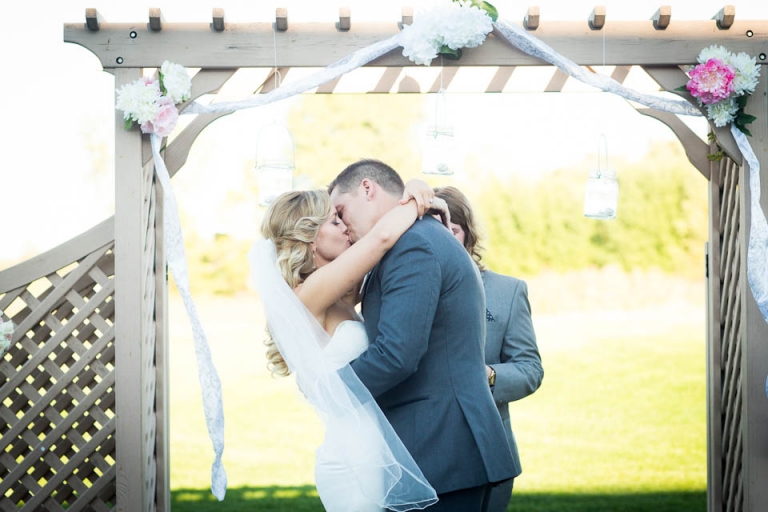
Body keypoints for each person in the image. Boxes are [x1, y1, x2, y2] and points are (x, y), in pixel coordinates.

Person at [329, 159, 517, 512]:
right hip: (440, 447)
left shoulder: (413, 245)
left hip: (441, 446)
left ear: (367, 189)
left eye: (341, 209)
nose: (343, 224)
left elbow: (397, 353)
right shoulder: (413, 238)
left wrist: (331, 390)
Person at [250, 180, 448, 512]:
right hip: (351, 457)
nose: (345, 227)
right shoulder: (308, 294)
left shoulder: (338, 294)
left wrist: (405, 192)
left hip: (368, 448)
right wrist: (416, 202)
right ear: (310, 238)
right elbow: (381, 238)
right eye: (335, 220)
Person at [434, 186, 544, 512]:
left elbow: (529, 369)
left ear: (468, 235)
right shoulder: (404, 290)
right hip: (421, 454)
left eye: (451, 231)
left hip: (488, 454)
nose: (442, 240)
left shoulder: (508, 292)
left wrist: (489, 375)